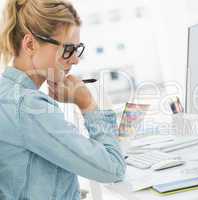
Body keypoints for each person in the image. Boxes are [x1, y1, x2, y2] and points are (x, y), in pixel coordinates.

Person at [0, 0, 126, 199]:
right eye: (68, 49)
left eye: (77, 49)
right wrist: (88, 105)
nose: (75, 60)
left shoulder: (6, 93)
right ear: (30, 44)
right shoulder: (28, 107)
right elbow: (113, 169)